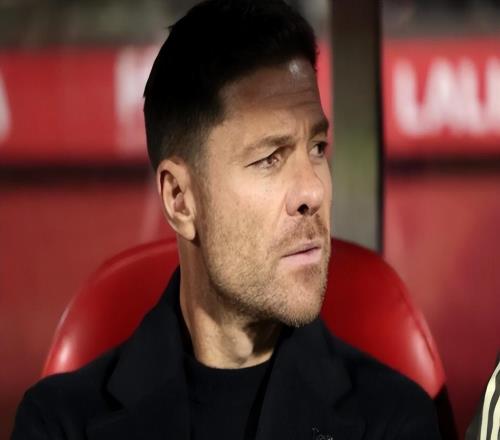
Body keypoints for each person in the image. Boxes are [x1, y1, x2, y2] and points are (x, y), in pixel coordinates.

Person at [12, 0, 441, 438]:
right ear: (180, 199)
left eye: (317, 148)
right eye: (270, 158)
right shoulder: (59, 425)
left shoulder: (394, 421)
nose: (312, 192)